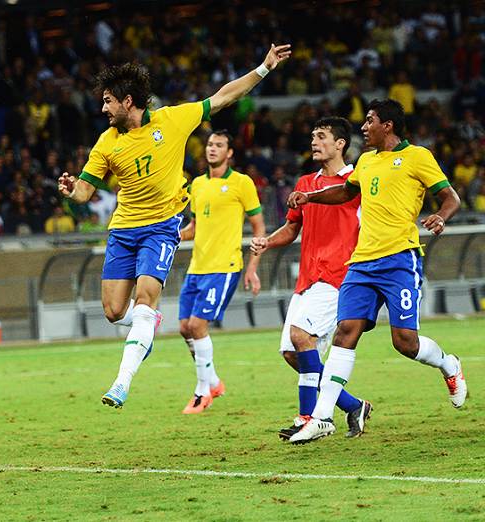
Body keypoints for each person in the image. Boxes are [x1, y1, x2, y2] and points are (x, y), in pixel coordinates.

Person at [58, 44, 291, 408]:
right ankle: (145, 322)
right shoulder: (106, 142)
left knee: (145, 298)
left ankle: (121, 382)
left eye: (108, 101)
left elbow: (223, 97)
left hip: (161, 226)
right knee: (113, 311)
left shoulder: (173, 119)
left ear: (128, 100)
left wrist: (263, 68)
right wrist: (73, 190)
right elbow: (86, 191)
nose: (103, 109)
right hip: (123, 230)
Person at [287, 100, 465, 444]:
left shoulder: (418, 157)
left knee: (405, 342)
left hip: (400, 260)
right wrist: (311, 197)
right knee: (345, 332)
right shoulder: (366, 162)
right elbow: (344, 191)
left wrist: (441, 216)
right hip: (362, 262)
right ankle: (322, 417)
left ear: (389, 125)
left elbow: (451, 197)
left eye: (370, 121)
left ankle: (448, 365)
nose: (363, 127)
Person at [249, 117, 371, 439]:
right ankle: (353, 405)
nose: (314, 142)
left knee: (302, 336)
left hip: (339, 275)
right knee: (293, 352)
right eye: (313, 136)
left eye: (321, 136)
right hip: (307, 278)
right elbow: (292, 228)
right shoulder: (304, 183)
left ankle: (310, 418)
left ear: (340, 144)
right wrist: (267, 242)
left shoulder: (356, 182)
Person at [176, 130, 265, 414]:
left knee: (198, 326)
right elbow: (194, 228)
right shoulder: (197, 186)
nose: (212, 149)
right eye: (210, 145)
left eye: (219, 145)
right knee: (184, 328)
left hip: (224, 267)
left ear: (229, 153)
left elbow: (259, 229)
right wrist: (171, 235)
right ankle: (213, 381)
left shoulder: (242, 183)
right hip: (197, 267)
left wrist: (252, 267)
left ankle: (202, 393)